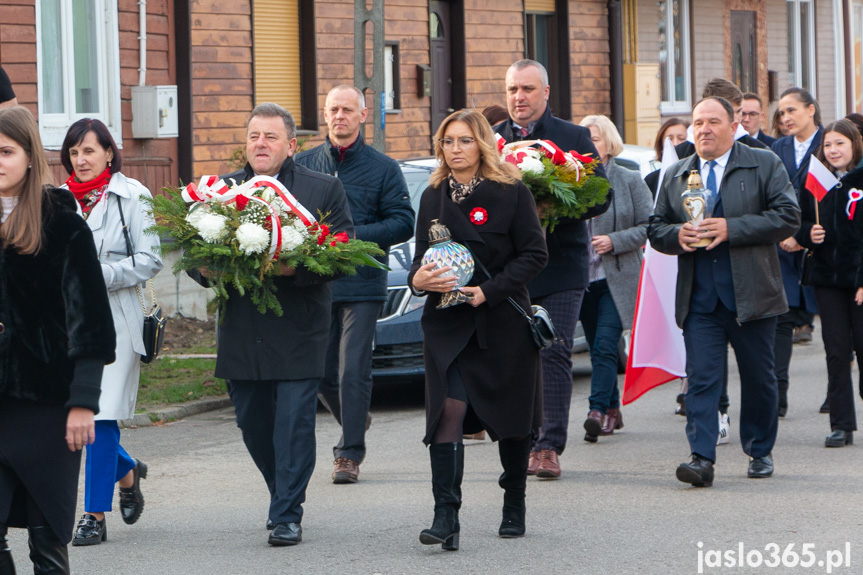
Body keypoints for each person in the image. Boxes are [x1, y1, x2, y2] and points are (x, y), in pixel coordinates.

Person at [194, 103, 353, 547]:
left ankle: (286, 514)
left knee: (293, 424)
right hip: (243, 330)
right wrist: (205, 271)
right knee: (253, 423)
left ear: (291, 145)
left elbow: (341, 256)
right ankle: (281, 493)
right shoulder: (223, 193)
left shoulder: (322, 191)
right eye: (253, 136)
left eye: (269, 137)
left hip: (300, 330)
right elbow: (195, 255)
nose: (260, 144)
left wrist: (290, 271)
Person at [409, 109, 547, 549]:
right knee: (447, 410)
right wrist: (418, 280)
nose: (455, 150)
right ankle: (445, 515)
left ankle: (514, 499)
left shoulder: (510, 191)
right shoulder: (432, 195)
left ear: (482, 144)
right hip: (448, 324)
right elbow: (419, 258)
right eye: (448, 141)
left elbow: (533, 254)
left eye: (465, 141)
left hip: (501, 319)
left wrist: (489, 290)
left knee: (511, 420)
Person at [648, 96, 800, 486]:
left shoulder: (762, 162)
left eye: (713, 122)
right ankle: (701, 457)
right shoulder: (679, 173)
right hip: (700, 298)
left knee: (758, 377)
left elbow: (788, 216)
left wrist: (732, 228)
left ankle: (759, 449)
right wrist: (676, 235)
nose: (704, 130)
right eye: (699, 123)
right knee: (701, 379)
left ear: (735, 127)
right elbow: (656, 227)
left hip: (752, 294)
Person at [0, 106, 116, 573]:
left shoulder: (63, 227)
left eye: (5, 151)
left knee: (47, 542)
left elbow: (91, 323)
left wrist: (83, 402)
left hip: (47, 405)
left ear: (30, 156)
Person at [493, 59, 610, 479]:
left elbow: (600, 198)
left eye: (527, 89)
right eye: (512, 90)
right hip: (513, 269)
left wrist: (554, 204)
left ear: (545, 92)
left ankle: (548, 447)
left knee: (554, 349)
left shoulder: (573, 136)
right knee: (517, 356)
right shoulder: (493, 142)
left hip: (562, 264)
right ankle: (521, 438)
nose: (519, 97)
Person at [295, 86, 414, 484]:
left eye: (348, 110)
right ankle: (354, 418)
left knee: (353, 372)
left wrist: (352, 236)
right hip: (315, 284)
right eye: (333, 110)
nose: (340, 116)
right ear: (325, 115)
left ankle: (348, 454)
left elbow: (403, 221)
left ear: (363, 116)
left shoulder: (383, 168)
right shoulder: (303, 164)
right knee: (322, 373)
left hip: (363, 284)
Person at [58, 119, 162, 546]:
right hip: (66, 323)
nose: (80, 160)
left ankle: (94, 515)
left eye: (89, 151)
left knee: (100, 415)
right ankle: (127, 469)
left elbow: (151, 258)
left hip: (117, 319)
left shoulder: (133, 196)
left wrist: (100, 274)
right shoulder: (57, 201)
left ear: (108, 152)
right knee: (72, 414)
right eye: (74, 152)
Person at [578, 115, 652, 441]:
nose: (589, 145)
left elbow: (650, 226)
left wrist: (615, 240)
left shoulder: (629, 179)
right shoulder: (571, 180)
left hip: (617, 274)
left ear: (609, 143)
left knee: (607, 345)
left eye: (593, 138)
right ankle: (612, 408)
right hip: (583, 277)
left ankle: (596, 411)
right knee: (596, 347)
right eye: (584, 139)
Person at [796, 119, 863, 447]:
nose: (834, 151)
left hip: (859, 279)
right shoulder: (814, 180)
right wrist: (807, 233)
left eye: (841, 144)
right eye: (829, 145)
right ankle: (842, 424)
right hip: (827, 278)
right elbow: (794, 220)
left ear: (855, 146)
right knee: (836, 352)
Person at [771, 87, 822, 416]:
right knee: (780, 322)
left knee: (834, 327)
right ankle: (778, 394)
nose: (786, 118)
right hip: (781, 251)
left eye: (792, 110)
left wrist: (803, 236)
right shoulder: (778, 148)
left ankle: (837, 393)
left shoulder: (829, 142)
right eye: (781, 113)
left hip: (819, 246)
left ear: (811, 109)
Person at [674, 79, 769, 160]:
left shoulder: (759, 151)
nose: (736, 118)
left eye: (739, 111)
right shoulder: (680, 153)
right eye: (730, 112)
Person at [645, 118, 689, 197]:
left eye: (681, 138)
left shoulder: (697, 175)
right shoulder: (651, 180)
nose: (675, 143)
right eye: (669, 139)